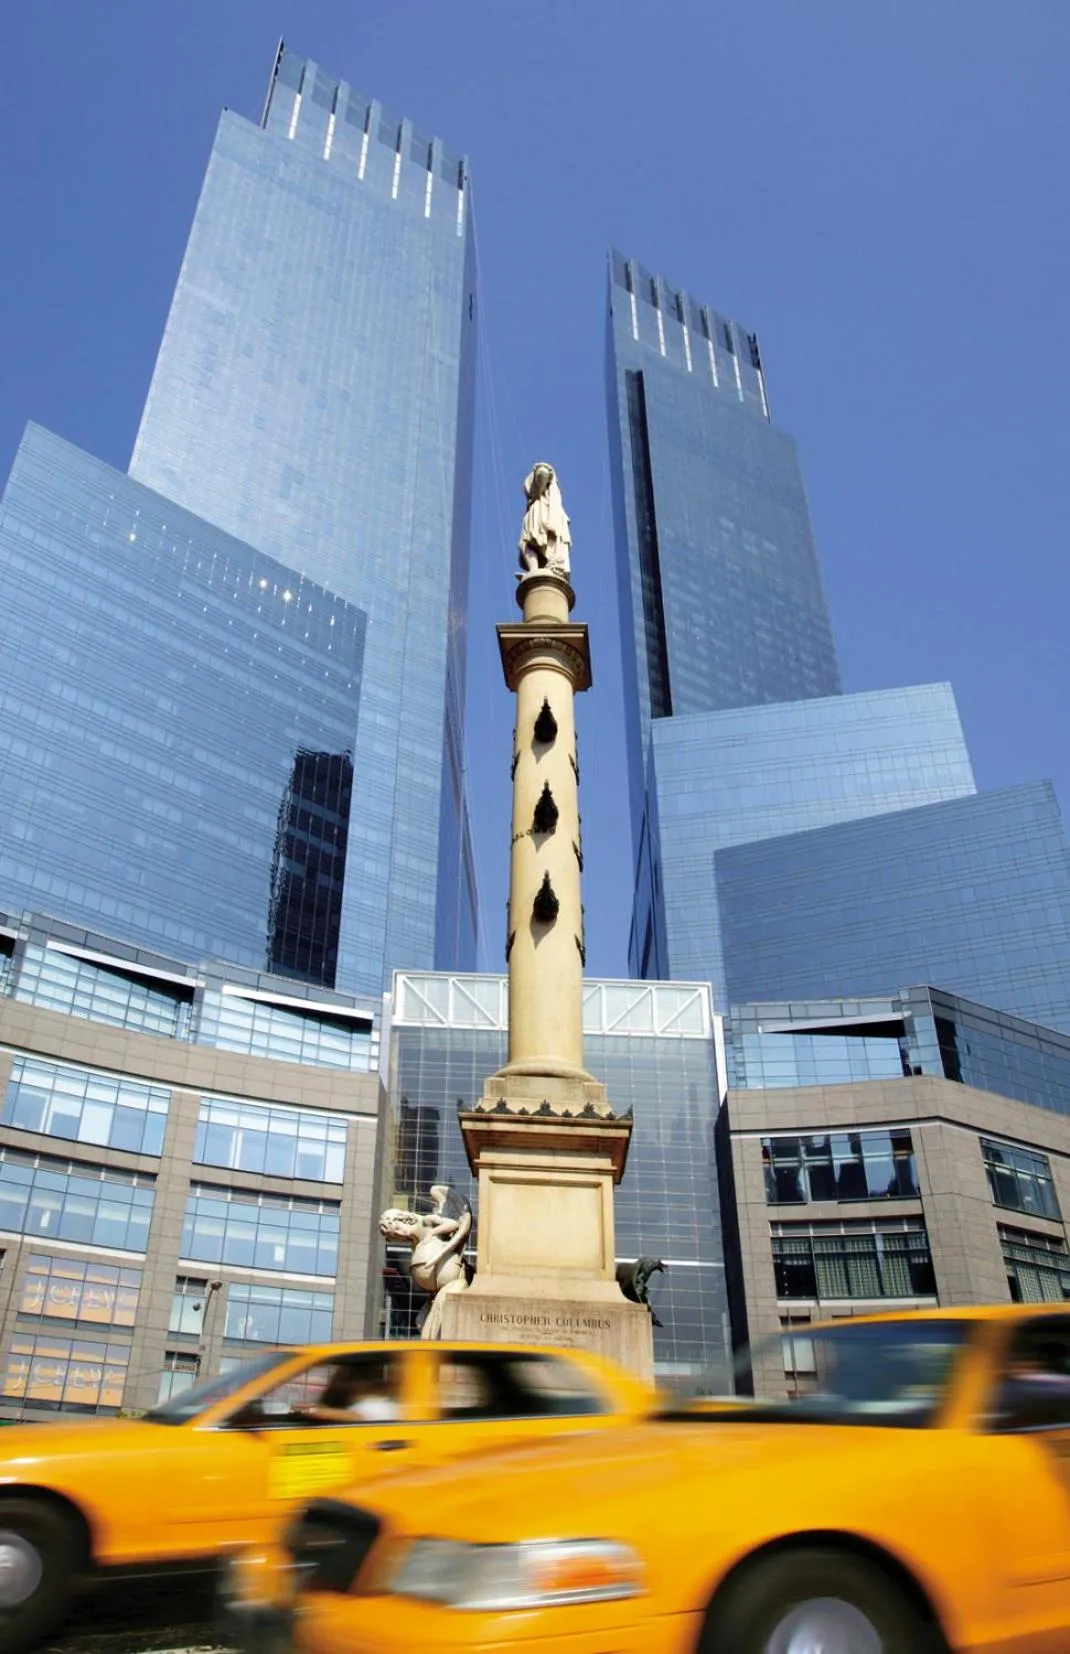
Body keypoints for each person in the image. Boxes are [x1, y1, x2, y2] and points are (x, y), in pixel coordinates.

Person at [294, 1365, 400, 1424]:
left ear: (361, 1382)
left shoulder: (377, 1406)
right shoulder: (372, 1403)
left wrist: (306, 1409)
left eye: (347, 1380)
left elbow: (350, 1416)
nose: (343, 1385)